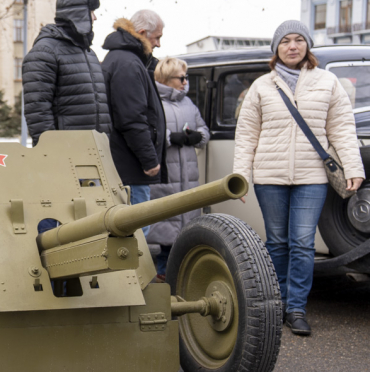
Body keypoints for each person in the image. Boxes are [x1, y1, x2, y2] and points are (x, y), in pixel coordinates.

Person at [234, 20, 364, 336]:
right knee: (277, 242)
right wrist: (241, 175)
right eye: (285, 41)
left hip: (312, 176)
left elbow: (342, 129)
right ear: (276, 50)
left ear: (307, 46)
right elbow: (247, 133)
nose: (292, 46)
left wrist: (354, 167)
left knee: (303, 243)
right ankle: (275, 303)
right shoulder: (262, 86)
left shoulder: (328, 82)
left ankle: (296, 309)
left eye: (298, 40)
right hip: (270, 175)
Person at [22, 0, 111, 146]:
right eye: (91, 12)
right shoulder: (45, 52)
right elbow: (37, 110)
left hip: (96, 152)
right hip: (67, 155)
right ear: (78, 14)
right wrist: (52, 152)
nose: (95, 18)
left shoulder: (89, 54)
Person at [147, 57, 210, 280]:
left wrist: (198, 136)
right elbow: (147, 135)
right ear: (165, 79)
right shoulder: (153, 102)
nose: (185, 82)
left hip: (188, 177)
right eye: (181, 78)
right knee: (166, 236)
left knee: (184, 234)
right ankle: (164, 278)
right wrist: (169, 138)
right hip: (165, 177)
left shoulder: (188, 104)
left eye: (186, 77)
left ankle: (181, 279)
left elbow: (204, 130)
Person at [101, 10, 167, 214]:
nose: (158, 44)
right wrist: (149, 159)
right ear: (142, 32)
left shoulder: (123, 59)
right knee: (137, 229)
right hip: (130, 167)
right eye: (157, 37)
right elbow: (131, 118)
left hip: (125, 163)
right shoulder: (128, 63)